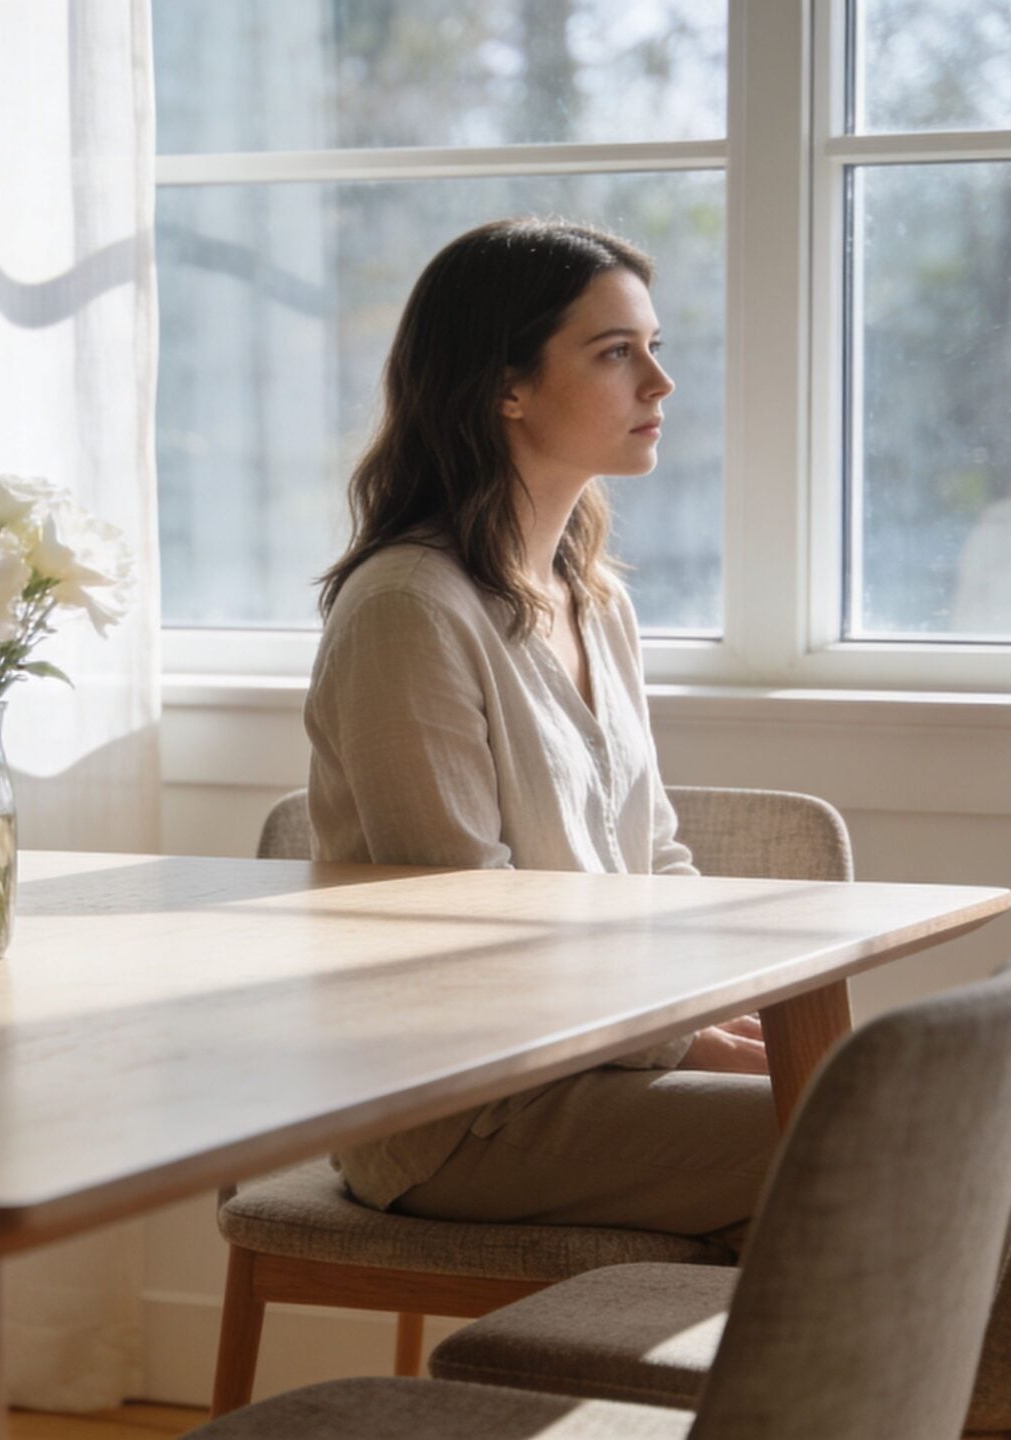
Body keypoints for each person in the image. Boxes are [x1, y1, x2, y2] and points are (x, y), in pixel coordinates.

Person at [305, 218, 775, 1247]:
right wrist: (687, 1040)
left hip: (604, 1068)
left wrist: (728, 1016)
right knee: (908, 1134)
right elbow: (476, 938)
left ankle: (980, 1406)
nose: (659, 383)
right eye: (615, 354)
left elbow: (656, 859)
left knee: (971, 1126)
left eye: (655, 348)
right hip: (461, 1114)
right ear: (502, 386)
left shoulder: (593, 599)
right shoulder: (407, 611)